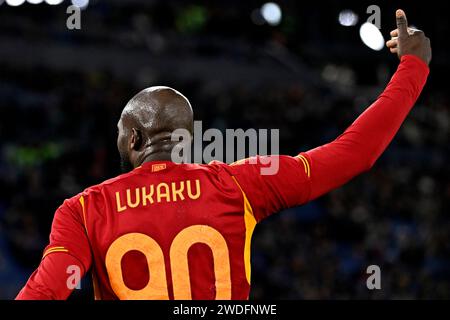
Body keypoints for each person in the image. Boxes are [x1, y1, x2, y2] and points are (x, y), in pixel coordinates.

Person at [16, 9, 431, 300]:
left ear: (136, 139)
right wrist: (413, 66)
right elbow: (354, 153)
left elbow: (48, 289)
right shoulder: (240, 184)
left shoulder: (83, 210)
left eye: (121, 134)